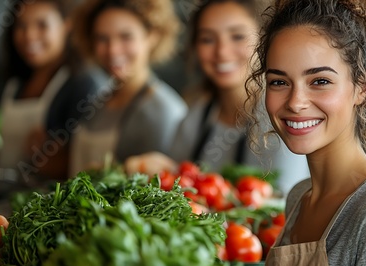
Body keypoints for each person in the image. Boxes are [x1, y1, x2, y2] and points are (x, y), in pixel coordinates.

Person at [243, 0, 366, 266]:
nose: (296, 102)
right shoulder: (300, 198)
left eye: (320, 81)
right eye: (279, 82)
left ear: (363, 87)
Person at [125, 0, 309, 193]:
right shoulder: (196, 115)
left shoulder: (285, 114)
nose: (222, 52)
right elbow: (175, 187)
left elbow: (283, 202)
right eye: (207, 39)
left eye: (237, 36)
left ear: (264, 38)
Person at [69, 0, 187, 175]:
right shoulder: (100, 98)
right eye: (102, 38)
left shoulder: (163, 110)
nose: (113, 50)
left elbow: (157, 190)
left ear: (152, 36)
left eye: (126, 37)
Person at [0, 0, 107, 182]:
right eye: (21, 25)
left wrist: (53, 160)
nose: (29, 35)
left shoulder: (83, 85)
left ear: (66, 25)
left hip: (45, 202)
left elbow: (86, 165)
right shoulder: (15, 83)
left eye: (42, 25)